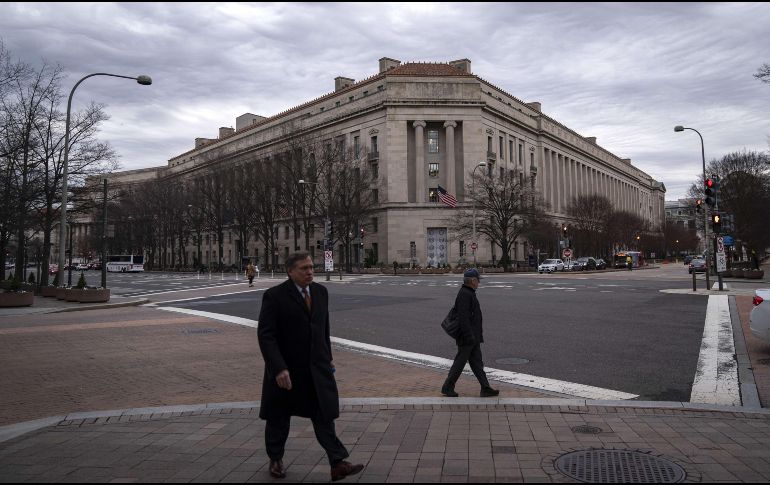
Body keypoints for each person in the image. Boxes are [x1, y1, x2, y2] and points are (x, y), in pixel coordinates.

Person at [257, 251, 364, 482]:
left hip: (316, 368)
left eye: (311, 268)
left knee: (323, 414)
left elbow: (322, 327)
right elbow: (266, 336)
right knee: (279, 417)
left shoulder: (320, 292)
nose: (310, 272)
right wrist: (278, 368)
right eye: (304, 269)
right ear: (290, 271)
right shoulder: (275, 296)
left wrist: (328, 356)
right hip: (287, 370)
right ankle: (275, 459)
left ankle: (337, 463)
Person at [441, 268, 499, 398]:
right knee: (460, 362)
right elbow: (463, 318)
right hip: (467, 337)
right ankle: (447, 386)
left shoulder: (468, 293)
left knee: (477, 363)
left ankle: (485, 388)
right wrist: (469, 336)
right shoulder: (465, 294)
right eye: (478, 280)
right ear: (472, 281)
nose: (479, 282)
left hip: (472, 336)